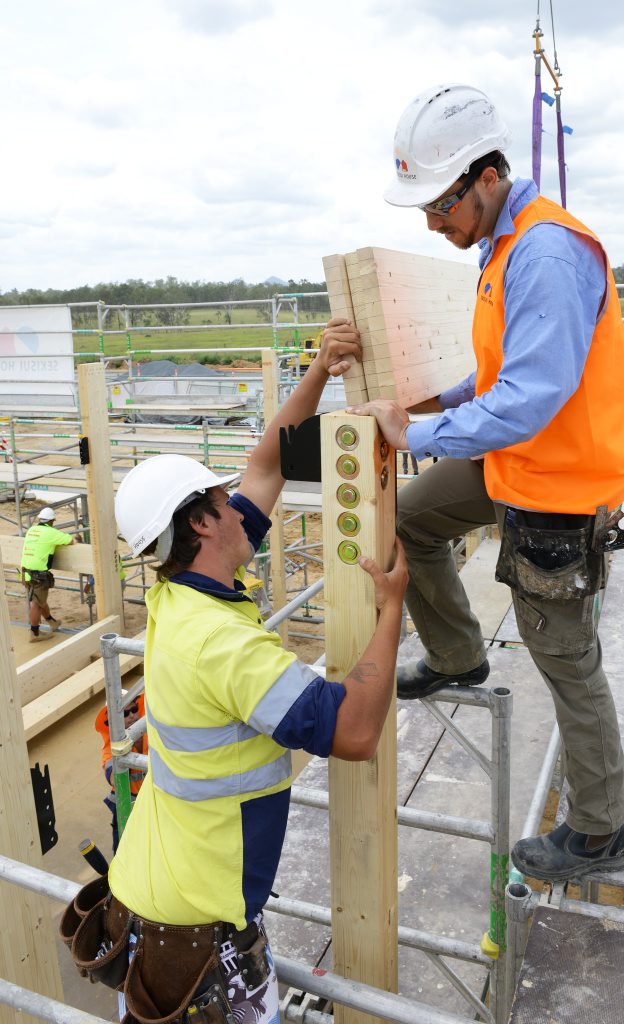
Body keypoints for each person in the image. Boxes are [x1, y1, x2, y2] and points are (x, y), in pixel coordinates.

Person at [347, 84, 624, 883]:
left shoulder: (543, 252)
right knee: (410, 518)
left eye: (439, 204)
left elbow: (530, 398)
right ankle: (456, 653)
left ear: (484, 177)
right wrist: (428, 401)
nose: (431, 222)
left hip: (560, 482)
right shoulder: (500, 246)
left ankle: (596, 829)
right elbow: (495, 375)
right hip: (525, 459)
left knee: (563, 657)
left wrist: (418, 434)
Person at [91, 320, 407, 1024]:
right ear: (204, 524)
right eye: (220, 498)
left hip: (152, 894)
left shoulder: (178, 594)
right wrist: (390, 612)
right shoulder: (222, 647)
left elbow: (268, 464)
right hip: (194, 929)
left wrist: (322, 368)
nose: (240, 503)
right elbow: (354, 731)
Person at [94, 690, 148, 852]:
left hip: (151, 798)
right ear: (112, 722)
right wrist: (124, 754)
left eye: (134, 709)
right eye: (125, 713)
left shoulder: (150, 733)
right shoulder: (110, 750)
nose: (132, 715)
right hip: (126, 806)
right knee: (123, 850)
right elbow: (113, 777)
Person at [20, 506, 77, 642]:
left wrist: (23, 574)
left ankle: (51, 622)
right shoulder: (51, 532)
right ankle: (35, 633)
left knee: (40, 599)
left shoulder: (31, 530)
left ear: (40, 519)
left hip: (26, 572)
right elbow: (70, 540)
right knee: (37, 604)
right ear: (51, 521)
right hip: (38, 574)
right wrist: (78, 539)